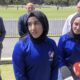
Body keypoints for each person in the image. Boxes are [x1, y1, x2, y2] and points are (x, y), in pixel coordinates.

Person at [12, 10, 59, 80]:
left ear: (44, 24)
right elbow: (19, 75)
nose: (33, 28)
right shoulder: (20, 46)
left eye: (36, 23)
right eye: (29, 24)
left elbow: (55, 67)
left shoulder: (51, 43)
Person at [58, 13, 80, 79]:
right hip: (67, 71)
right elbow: (59, 58)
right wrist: (65, 73)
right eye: (76, 24)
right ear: (71, 24)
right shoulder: (63, 39)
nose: (78, 27)